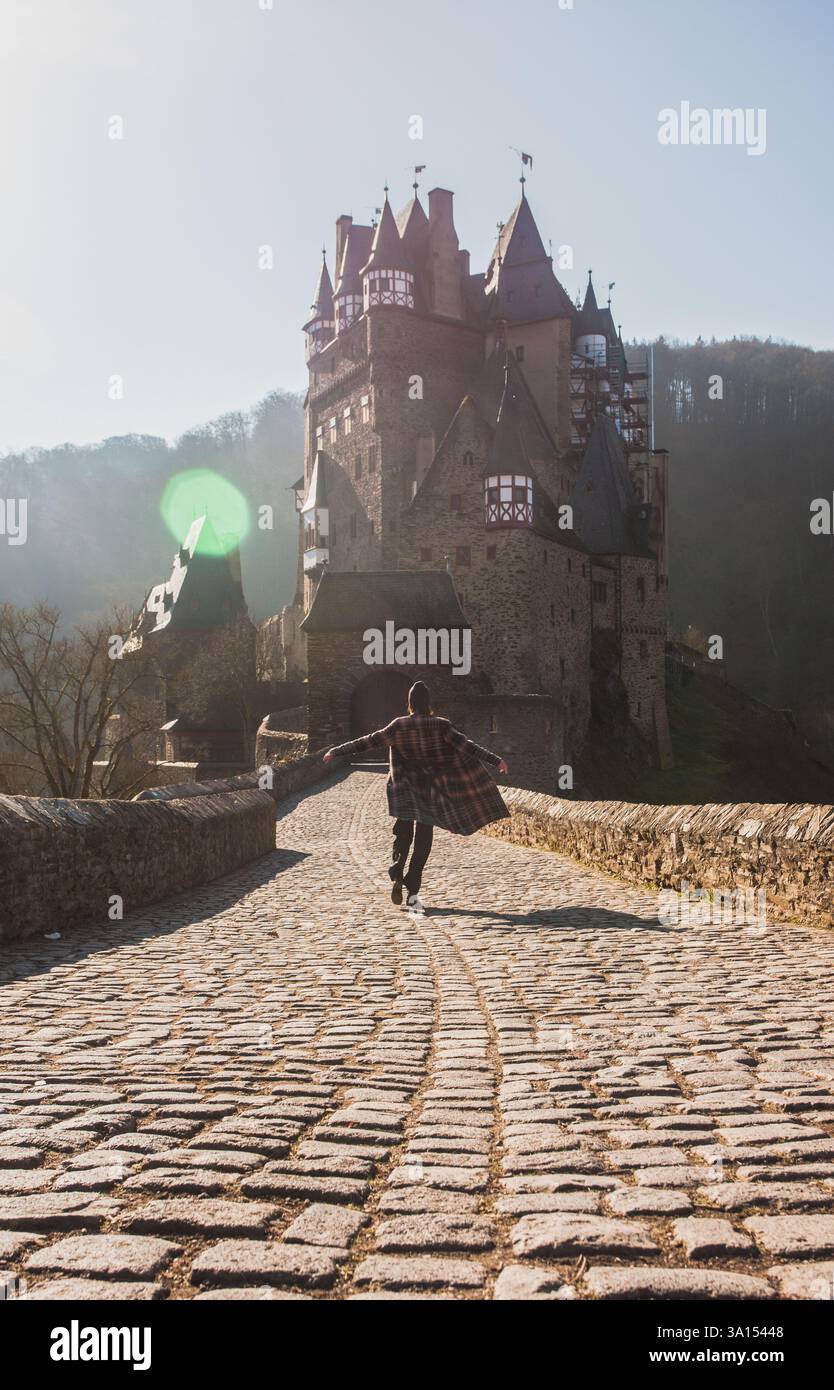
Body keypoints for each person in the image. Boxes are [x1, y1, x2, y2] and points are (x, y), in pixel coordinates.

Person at [323, 681, 509, 907]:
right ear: (429, 703)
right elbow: (466, 746)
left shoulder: (398, 726)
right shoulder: (441, 726)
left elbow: (369, 741)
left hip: (404, 789)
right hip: (431, 790)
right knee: (423, 838)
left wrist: (337, 751)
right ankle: (412, 884)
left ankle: (398, 868)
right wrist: (495, 760)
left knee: (403, 832)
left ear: (409, 703)